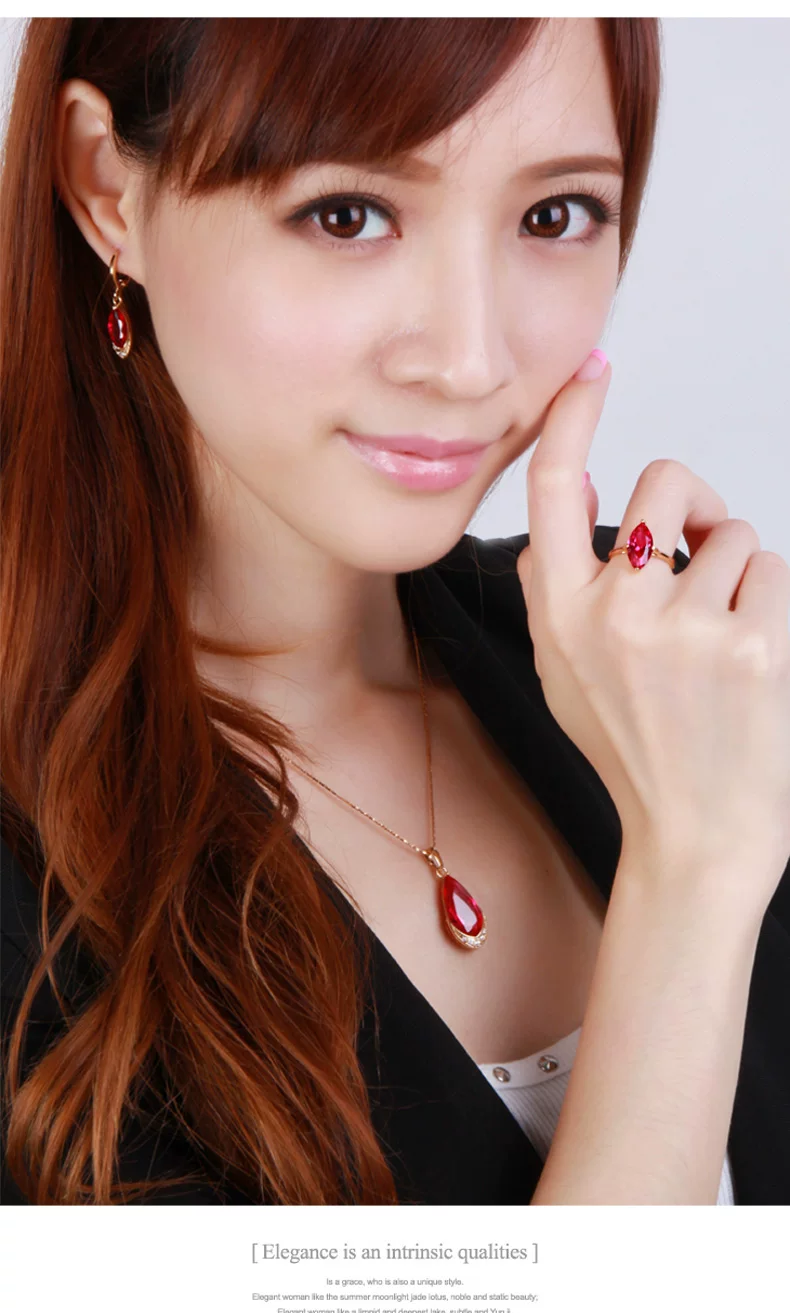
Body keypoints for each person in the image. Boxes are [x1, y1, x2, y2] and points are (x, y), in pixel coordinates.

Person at [2, 20, 788, 1206]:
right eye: (347, 215)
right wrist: (691, 879)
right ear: (110, 188)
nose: (468, 360)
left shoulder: (669, 670)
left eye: (553, 215)